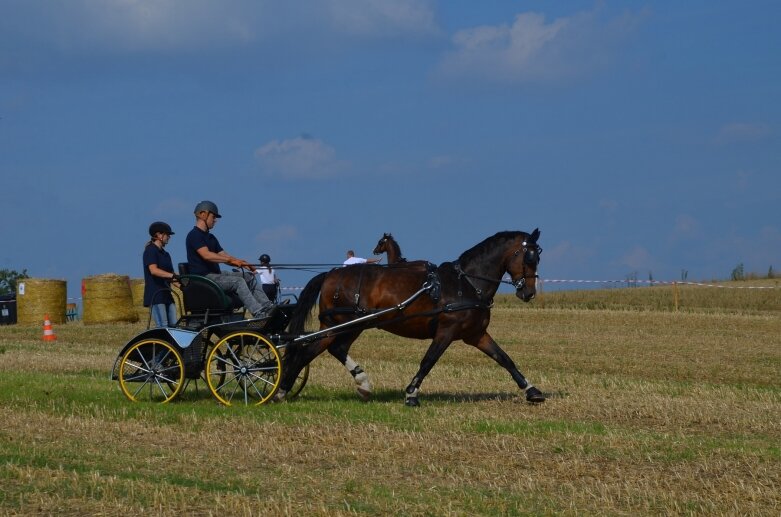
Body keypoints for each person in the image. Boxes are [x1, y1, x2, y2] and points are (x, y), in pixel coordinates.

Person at [185, 200, 274, 318]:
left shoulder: (211, 237)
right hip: (204, 278)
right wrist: (231, 261)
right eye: (213, 216)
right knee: (238, 282)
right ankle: (258, 313)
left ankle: (269, 307)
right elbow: (206, 255)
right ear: (203, 214)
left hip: (216, 275)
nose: (215, 220)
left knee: (249, 276)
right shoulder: (194, 235)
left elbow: (223, 255)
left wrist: (242, 263)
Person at [143, 221, 178, 327]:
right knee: (163, 326)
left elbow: (171, 275)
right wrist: (172, 276)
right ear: (158, 235)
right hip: (156, 295)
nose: (169, 237)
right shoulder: (150, 251)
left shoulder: (166, 254)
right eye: (167, 234)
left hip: (167, 295)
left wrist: (184, 285)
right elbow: (154, 270)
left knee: (174, 325)